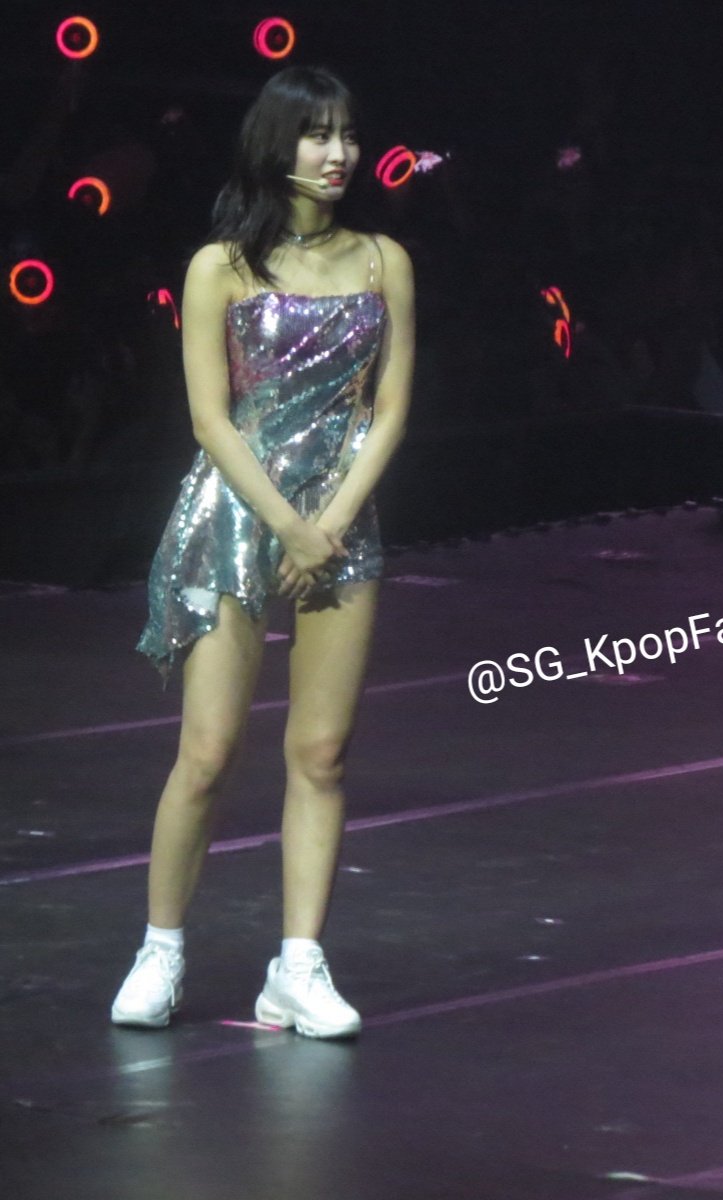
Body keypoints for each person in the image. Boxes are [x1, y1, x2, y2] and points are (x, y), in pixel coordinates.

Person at [110, 66, 415, 1038]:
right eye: (318, 134)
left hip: (341, 519)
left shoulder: (384, 261)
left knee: (321, 753)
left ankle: (298, 967)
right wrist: (287, 524)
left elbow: (390, 409)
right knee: (206, 752)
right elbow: (210, 418)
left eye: (348, 134)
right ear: (276, 143)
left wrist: (332, 522)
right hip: (240, 513)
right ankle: (161, 949)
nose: (339, 153)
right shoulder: (220, 267)